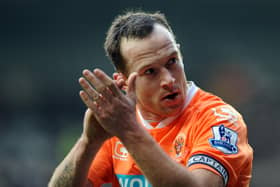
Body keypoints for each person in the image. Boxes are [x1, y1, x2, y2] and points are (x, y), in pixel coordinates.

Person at [48, 11, 253, 187]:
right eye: (151, 71)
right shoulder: (119, 124)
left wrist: (129, 131)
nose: (168, 79)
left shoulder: (220, 120)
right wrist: (88, 142)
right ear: (125, 81)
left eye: (172, 61)